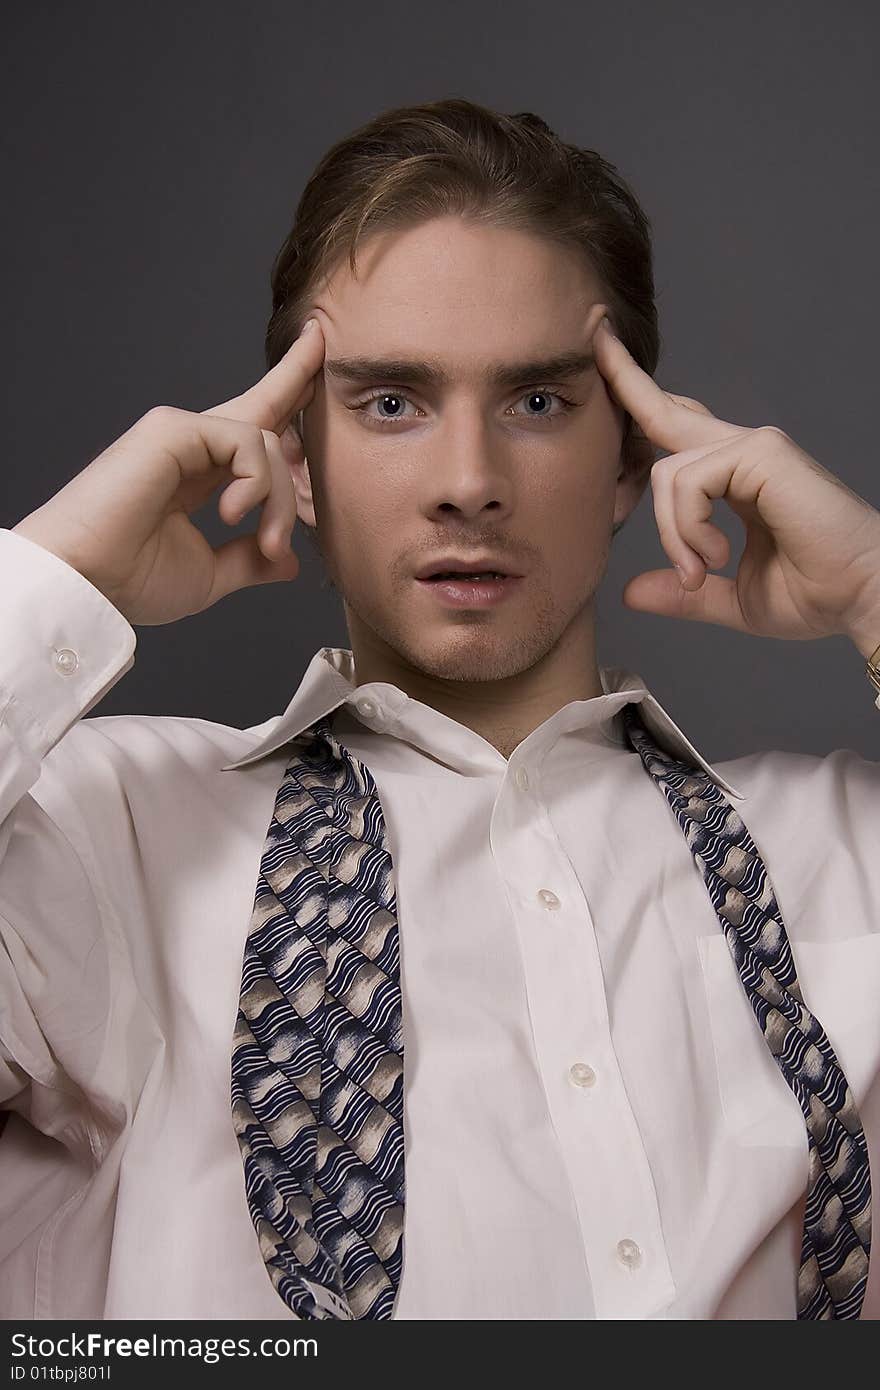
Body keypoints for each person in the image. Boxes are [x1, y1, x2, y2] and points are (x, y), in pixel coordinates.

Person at [1, 97, 879, 1322]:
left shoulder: (842, 853)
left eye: (536, 403)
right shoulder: (107, 836)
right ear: (294, 455)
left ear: (631, 454)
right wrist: (58, 573)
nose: (469, 484)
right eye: (390, 402)